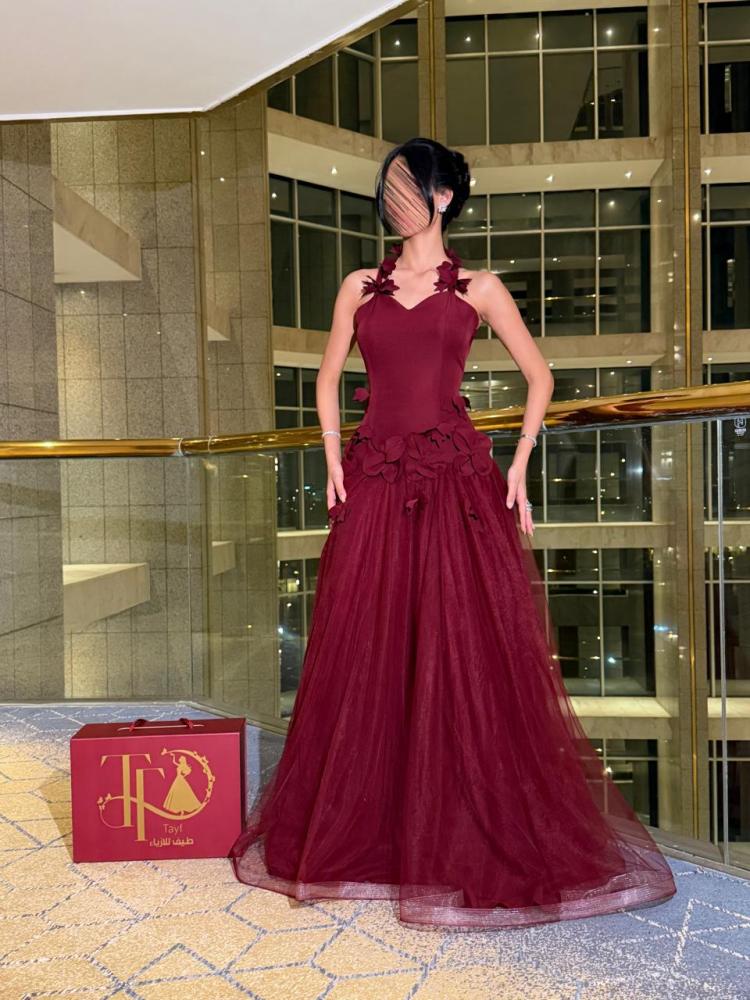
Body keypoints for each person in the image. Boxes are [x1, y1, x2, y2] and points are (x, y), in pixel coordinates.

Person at [230, 137, 677, 930]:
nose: (393, 198)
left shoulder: (479, 287)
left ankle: (458, 828)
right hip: (374, 480)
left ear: (442, 198)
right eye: (388, 186)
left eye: (407, 186)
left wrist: (521, 463)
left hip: (455, 482)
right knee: (369, 648)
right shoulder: (358, 285)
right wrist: (333, 458)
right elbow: (328, 379)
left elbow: (540, 377)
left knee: (456, 651)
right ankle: (378, 826)